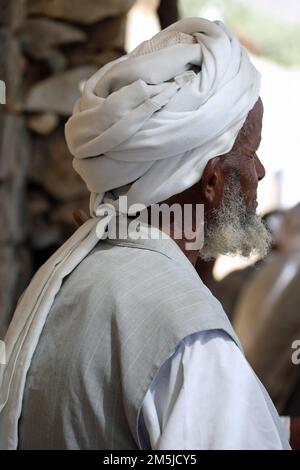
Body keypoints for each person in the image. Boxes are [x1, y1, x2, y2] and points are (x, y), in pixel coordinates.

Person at [0, 18, 290, 450]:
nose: (260, 171)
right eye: (251, 152)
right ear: (211, 182)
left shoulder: (73, 274)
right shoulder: (187, 333)